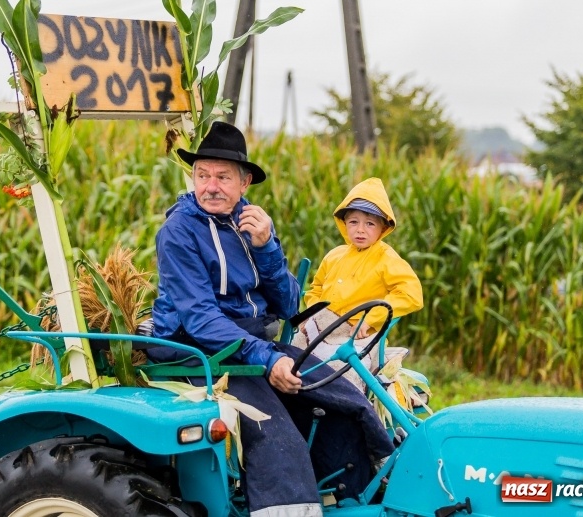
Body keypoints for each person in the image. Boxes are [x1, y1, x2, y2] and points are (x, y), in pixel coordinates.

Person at [151, 121, 395, 517]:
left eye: (223, 177)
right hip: (196, 352)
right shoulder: (178, 232)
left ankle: (364, 492)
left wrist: (266, 247)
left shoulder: (253, 224)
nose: (211, 186)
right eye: (203, 175)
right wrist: (268, 359)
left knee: (342, 401)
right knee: (277, 439)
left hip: (246, 344)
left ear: (244, 182)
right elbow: (200, 319)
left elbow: (287, 304)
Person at [293, 177, 424, 390]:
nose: (360, 230)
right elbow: (315, 289)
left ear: (383, 228)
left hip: (357, 335)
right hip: (322, 327)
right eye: (353, 222)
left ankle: (347, 411)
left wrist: (370, 318)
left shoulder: (386, 258)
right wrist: (311, 315)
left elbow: (411, 294)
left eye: (370, 223)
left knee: (344, 375)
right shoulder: (334, 256)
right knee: (290, 362)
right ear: (344, 224)